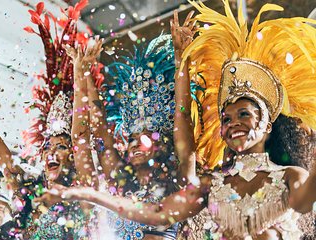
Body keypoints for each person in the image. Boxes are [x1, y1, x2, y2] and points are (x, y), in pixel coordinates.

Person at [35, 1, 316, 239]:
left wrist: (184, 61)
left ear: (267, 125)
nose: (234, 123)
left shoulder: (288, 177)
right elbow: (155, 212)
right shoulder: (210, 185)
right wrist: (85, 194)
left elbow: (183, 120)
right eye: (226, 118)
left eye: (244, 114)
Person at [0, 0, 102, 238]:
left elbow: (81, 136)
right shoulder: (26, 191)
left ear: (74, 155)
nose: (52, 153)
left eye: (62, 147)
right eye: (48, 147)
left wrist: (79, 73)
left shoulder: (84, 192)